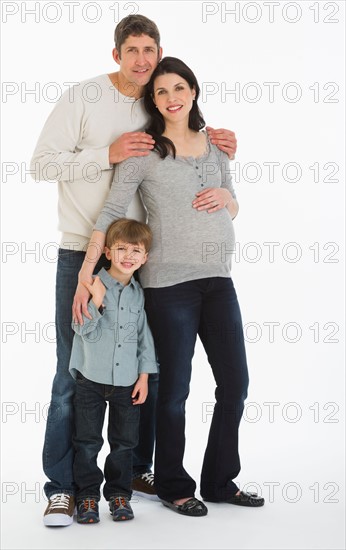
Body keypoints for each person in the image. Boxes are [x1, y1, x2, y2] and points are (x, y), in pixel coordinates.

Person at [31, 14, 238, 526]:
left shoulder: (156, 104)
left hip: (142, 256)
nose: (143, 61)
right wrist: (107, 154)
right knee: (71, 372)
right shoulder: (84, 98)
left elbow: (185, 144)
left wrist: (220, 151)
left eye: (151, 50)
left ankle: (136, 472)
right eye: (133, 51)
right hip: (86, 250)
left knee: (143, 370)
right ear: (116, 54)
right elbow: (41, 164)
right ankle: (63, 487)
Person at [74, 57, 265, 517]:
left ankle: (220, 482)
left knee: (235, 384)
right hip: (169, 286)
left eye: (179, 88)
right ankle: (174, 486)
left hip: (219, 282)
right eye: (161, 92)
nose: (171, 97)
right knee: (174, 390)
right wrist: (87, 271)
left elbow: (233, 205)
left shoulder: (216, 146)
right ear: (153, 101)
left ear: (193, 91)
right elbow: (112, 210)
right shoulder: (145, 152)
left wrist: (229, 200)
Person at [69, 218, 157, 524]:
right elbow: (81, 330)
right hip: (90, 379)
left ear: (145, 257)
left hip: (126, 382)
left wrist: (144, 376)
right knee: (88, 441)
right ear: (107, 251)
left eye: (136, 250)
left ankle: (119, 494)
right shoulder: (91, 284)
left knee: (124, 442)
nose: (128, 256)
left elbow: (145, 338)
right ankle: (87, 496)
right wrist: (96, 301)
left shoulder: (138, 293)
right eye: (121, 248)